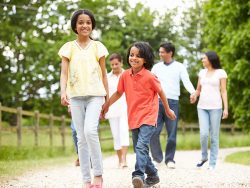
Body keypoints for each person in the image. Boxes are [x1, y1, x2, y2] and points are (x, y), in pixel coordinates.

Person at [101, 42, 176, 188]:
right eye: (131, 55)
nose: (134, 58)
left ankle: (138, 175)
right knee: (139, 149)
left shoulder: (150, 76)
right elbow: (118, 92)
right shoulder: (125, 75)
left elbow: (161, 92)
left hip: (148, 116)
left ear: (145, 59)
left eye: (138, 56)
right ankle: (153, 175)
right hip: (133, 117)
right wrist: (106, 105)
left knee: (141, 147)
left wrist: (167, 109)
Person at [59, 9, 109, 188]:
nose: (84, 25)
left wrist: (107, 100)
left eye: (88, 22)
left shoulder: (98, 47)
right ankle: (86, 179)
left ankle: (98, 174)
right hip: (76, 97)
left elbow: (104, 75)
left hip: (96, 95)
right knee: (80, 137)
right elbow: (64, 73)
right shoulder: (68, 47)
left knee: (90, 132)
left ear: (92, 25)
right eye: (80, 22)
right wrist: (63, 92)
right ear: (75, 26)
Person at [149, 42, 196, 169]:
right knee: (154, 132)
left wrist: (193, 92)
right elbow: (150, 83)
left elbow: (186, 81)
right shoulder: (156, 67)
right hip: (157, 102)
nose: (160, 54)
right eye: (159, 52)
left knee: (172, 134)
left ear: (170, 53)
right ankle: (157, 158)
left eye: (162, 52)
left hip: (173, 103)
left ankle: (170, 159)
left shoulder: (179, 67)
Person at [191, 51, 228, 170]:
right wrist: (194, 96)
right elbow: (198, 90)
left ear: (210, 59)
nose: (202, 60)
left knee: (214, 136)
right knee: (203, 134)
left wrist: (226, 108)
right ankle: (204, 157)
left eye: (204, 58)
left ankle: (212, 164)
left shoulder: (221, 73)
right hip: (202, 107)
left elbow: (223, 91)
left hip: (216, 108)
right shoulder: (202, 72)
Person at [105, 53, 130, 168]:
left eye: (116, 64)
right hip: (112, 110)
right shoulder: (106, 77)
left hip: (125, 108)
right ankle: (119, 160)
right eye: (112, 64)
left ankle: (124, 160)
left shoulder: (127, 74)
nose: (114, 66)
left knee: (124, 132)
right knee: (116, 135)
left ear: (121, 63)